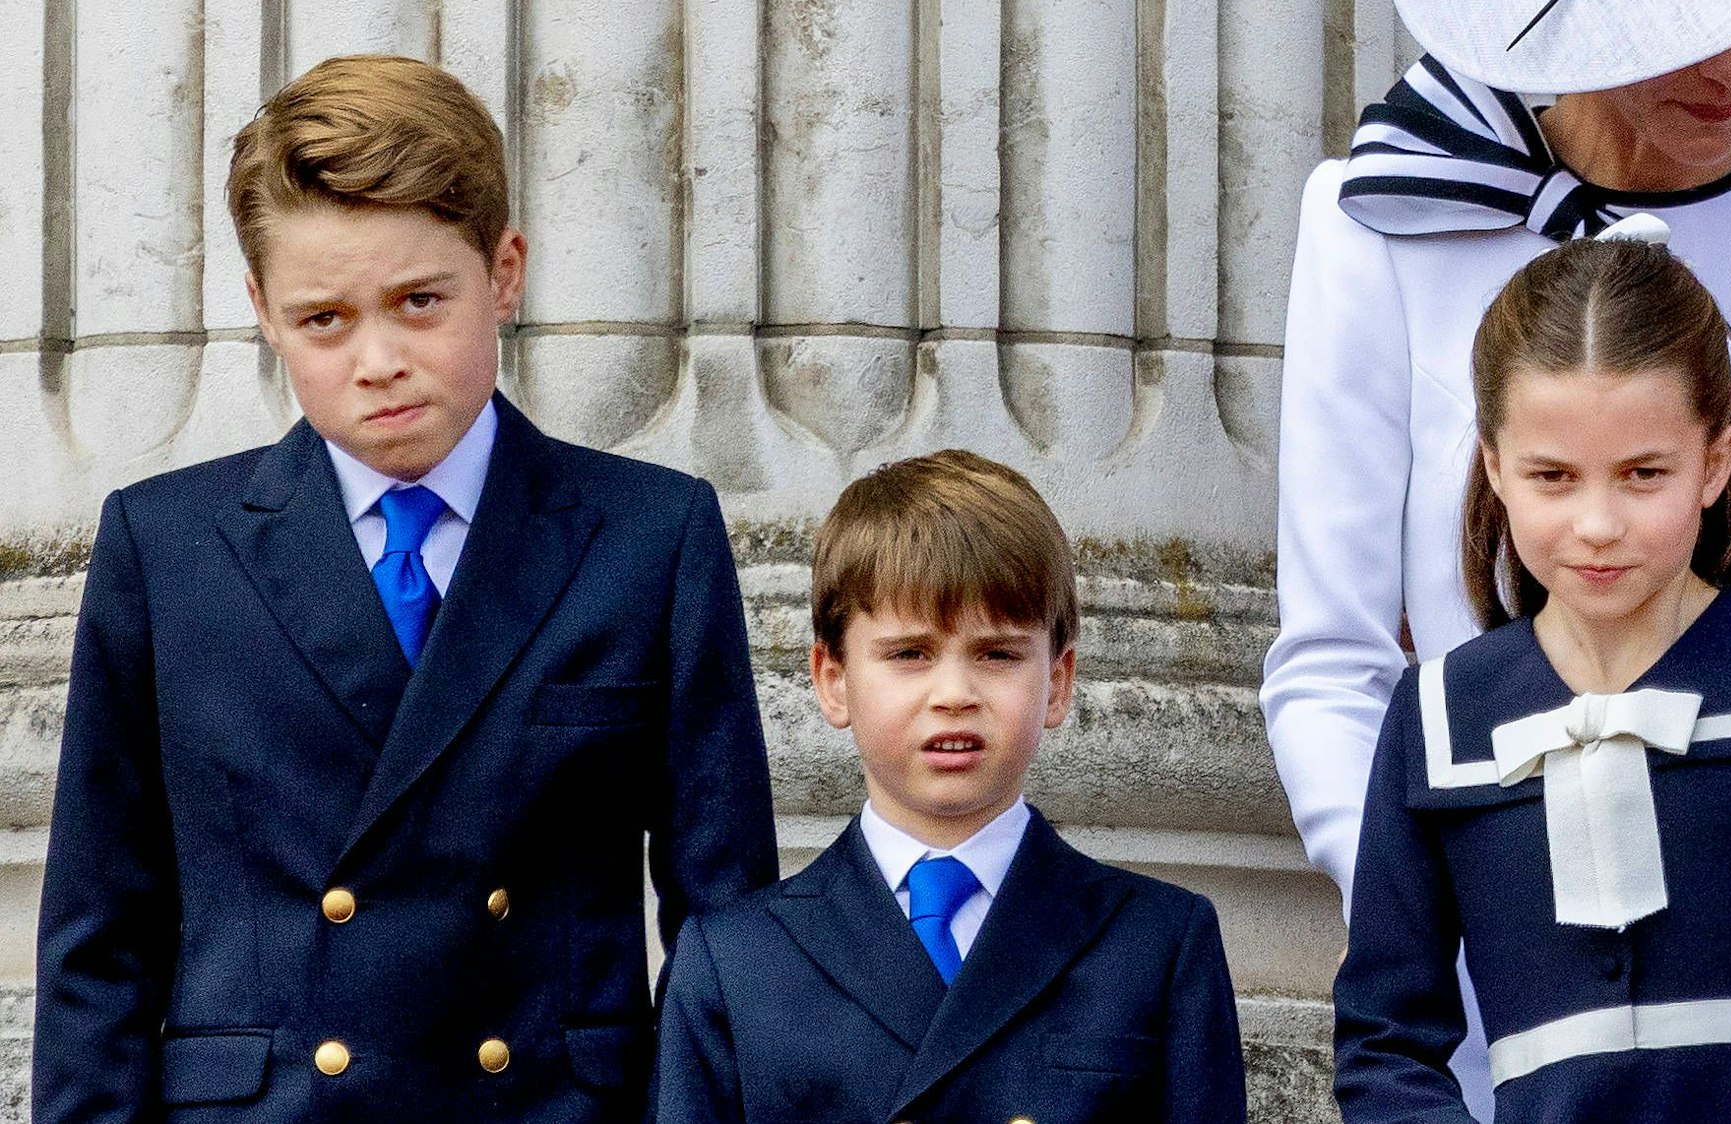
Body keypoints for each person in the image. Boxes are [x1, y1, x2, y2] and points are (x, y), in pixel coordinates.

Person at [1260, 1, 1731, 1113]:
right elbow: (1329, 662)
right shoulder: (1380, 216)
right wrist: (1473, 900)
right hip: (1501, 1018)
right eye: (1692, 18)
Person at [32, 55, 777, 1121]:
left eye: (420, 300)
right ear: (262, 310)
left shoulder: (651, 537)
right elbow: (99, 936)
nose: (377, 358)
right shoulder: (166, 546)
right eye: (324, 318)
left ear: (504, 272)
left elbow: (725, 928)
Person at [652, 450, 1248, 1123]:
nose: (955, 695)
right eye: (909, 654)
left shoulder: (1157, 942)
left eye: (997, 654)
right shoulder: (734, 962)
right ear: (832, 679)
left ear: (1056, 680)